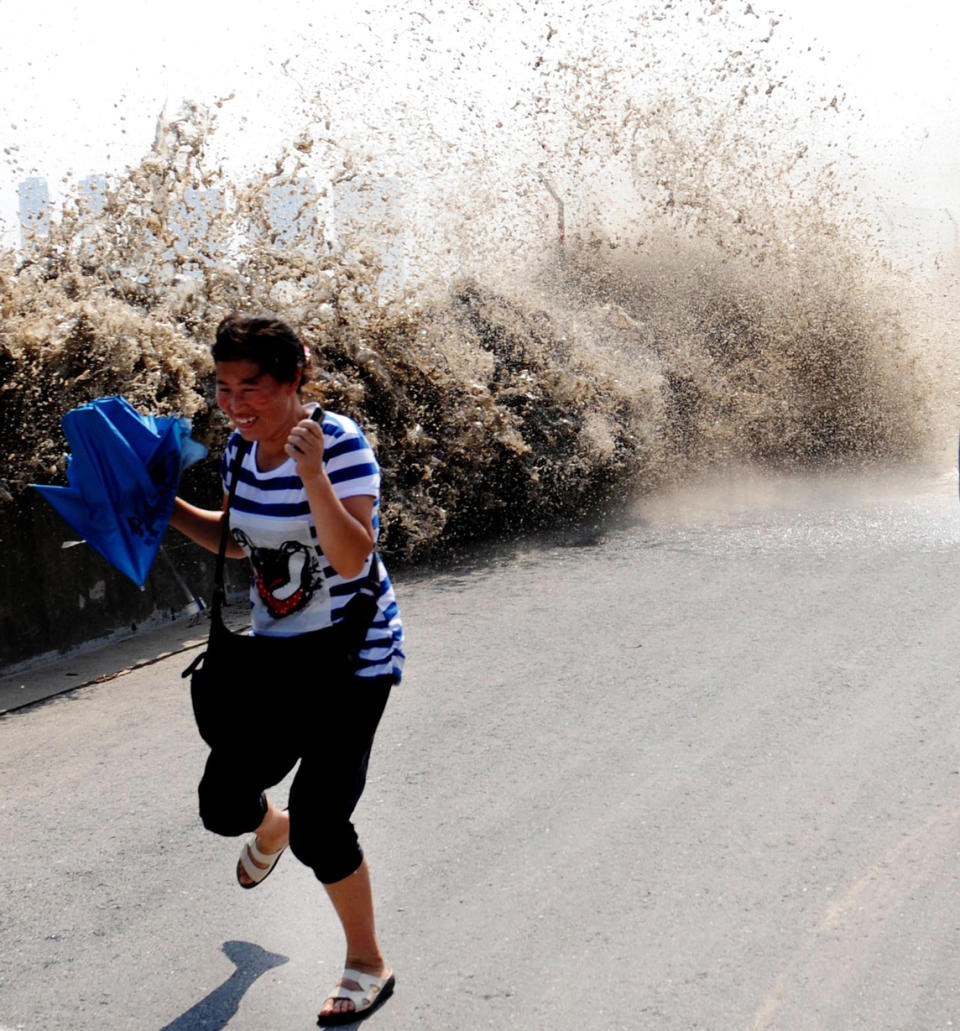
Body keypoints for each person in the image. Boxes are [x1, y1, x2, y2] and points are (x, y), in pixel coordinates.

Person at [170, 313, 404, 1025]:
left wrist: (311, 473)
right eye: (223, 388)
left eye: (254, 387)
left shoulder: (338, 445)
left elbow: (351, 557)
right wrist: (166, 511)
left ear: (294, 378)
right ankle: (271, 825)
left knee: (323, 826)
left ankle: (367, 962)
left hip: (351, 659)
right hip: (277, 658)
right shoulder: (239, 452)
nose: (237, 404)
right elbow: (239, 542)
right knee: (222, 804)